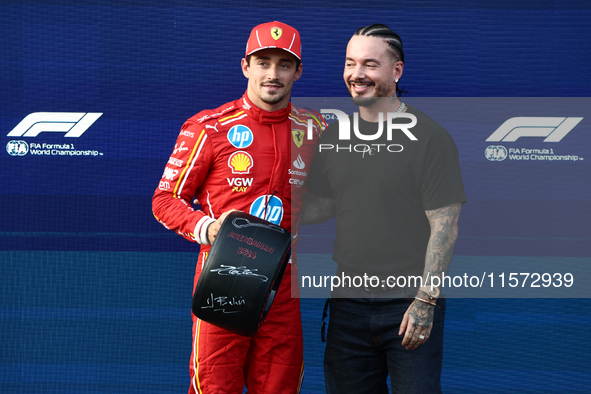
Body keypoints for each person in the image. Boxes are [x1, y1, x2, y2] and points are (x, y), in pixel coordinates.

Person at [152, 21, 320, 394]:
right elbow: (164, 200)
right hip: (224, 279)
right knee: (215, 388)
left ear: (298, 71)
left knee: (280, 387)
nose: (272, 74)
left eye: (284, 64)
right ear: (246, 66)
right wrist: (210, 228)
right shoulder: (209, 127)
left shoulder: (315, 129)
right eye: (263, 62)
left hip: (283, 289)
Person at [303, 23, 467, 393]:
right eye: (350, 63)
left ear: (397, 70)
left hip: (408, 304)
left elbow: (446, 226)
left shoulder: (429, 138)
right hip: (347, 305)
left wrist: (425, 302)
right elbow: (322, 206)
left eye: (370, 64)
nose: (356, 75)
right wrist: (257, 203)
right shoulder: (334, 136)